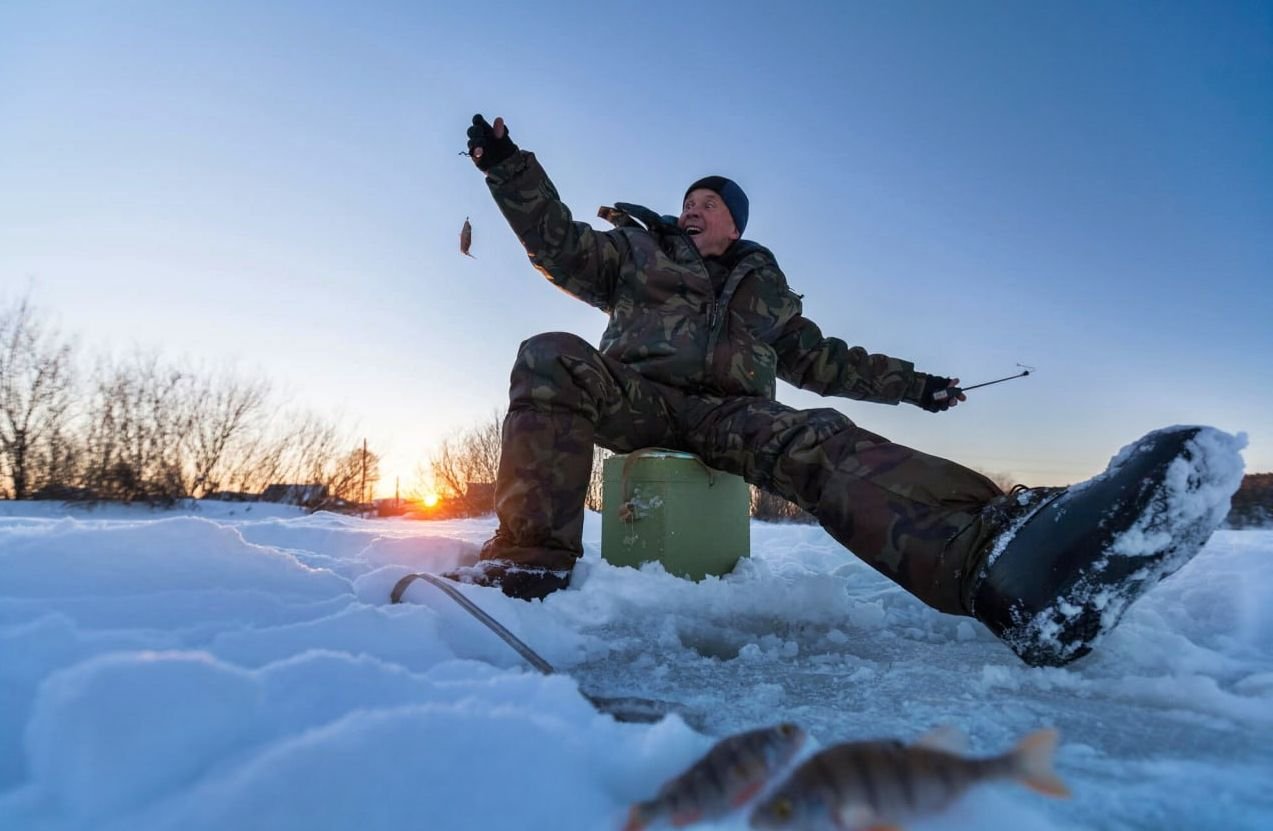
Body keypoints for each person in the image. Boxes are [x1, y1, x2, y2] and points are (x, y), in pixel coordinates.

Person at [445, 114, 1236, 667]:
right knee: (549, 354)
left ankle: (994, 560)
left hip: (732, 414)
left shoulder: (766, 292)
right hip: (638, 395)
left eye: (707, 203)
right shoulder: (636, 252)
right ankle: (532, 562)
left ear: (734, 223)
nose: (691, 208)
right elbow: (556, 243)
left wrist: (920, 385)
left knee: (815, 431)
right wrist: (509, 169)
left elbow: (832, 360)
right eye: (686, 202)